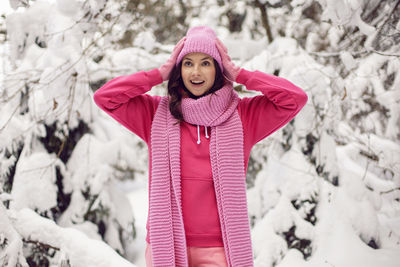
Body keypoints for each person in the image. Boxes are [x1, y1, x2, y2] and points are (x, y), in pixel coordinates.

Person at [93, 26, 308, 267]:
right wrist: (159, 73)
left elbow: (295, 98)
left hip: (220, 248)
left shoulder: (242, 116)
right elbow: (105, 97)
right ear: (178, 69)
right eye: (187, 63)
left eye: (206, 63)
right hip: (167, 243)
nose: (196, 71)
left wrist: (240, 74)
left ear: (218, 69)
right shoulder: (155, 114)